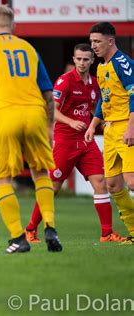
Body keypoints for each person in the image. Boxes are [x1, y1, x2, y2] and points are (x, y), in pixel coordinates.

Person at [0, 5, 62, 254]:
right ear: (13, 27)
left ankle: (18, 237)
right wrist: (49, 126)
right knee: (41, 172)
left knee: (3, 177)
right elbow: (47, 92)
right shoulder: (29, 49)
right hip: (36, 114)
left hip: (5, 116)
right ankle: (50, 227)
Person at [25, 44, 124, 243]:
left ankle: (107, 233)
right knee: (54, 186)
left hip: (86, 142)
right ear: (74, 59)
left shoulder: (94, 84)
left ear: (92, 61)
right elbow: (52, 110)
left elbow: (96, 108)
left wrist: (104, 121)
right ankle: (30, 229)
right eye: (78, 59)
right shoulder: (65, 81)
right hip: (66, 142)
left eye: (86, 59)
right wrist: (70, 121)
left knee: (100, 183)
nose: (82, 63)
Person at [85, 22, 134, 245]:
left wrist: (132, 127)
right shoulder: (101, 67)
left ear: (110, 41)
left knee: (131, 181)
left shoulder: (123, 63)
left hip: (127, 126)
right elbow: (104, 101)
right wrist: (93, 125)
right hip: (111, 129)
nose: (93, 46)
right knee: (113, 185)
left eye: (97, 41)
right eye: (91, 42)